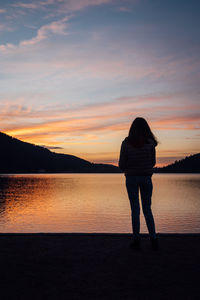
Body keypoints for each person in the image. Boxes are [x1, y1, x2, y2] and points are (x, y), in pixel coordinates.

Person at [118, 117, 158, 250]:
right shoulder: (150, 143)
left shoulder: (126, 143)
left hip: (131, 179)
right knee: (147, 209)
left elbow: (121, 164)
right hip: (146, 178)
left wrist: (131, 165)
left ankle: (136, 240)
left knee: (135, 209)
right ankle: (153, 239)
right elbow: (153, 162)